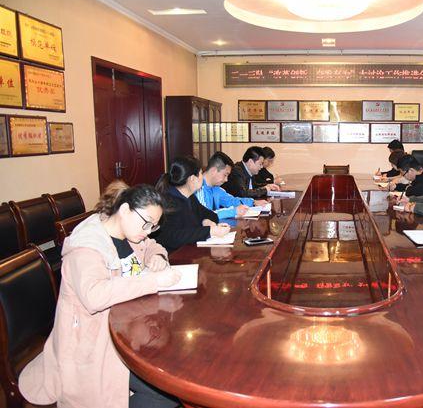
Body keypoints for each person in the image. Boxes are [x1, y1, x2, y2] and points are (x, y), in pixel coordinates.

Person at [18, 181, 182, 408]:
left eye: (153, 227)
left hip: (127, 326)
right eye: (146, 224)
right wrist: (154, 281)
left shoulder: (129, 233)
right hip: (94, 343)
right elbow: (95, 296)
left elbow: (152, 245)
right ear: (124, 210)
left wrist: (158, 257)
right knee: (166, 394)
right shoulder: (87, 247)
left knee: (170, 366)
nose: (147, 232)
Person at [154, 156, 230, 252]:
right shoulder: (168, 201)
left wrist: (206, 221)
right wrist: (210, 231)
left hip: (190, 251)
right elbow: (173, 237)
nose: (203, 177)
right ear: (193, 179)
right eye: (201, 173)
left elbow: (211, 214)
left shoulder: (190, 197)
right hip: (174, 255)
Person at [196, 151, 267, 219]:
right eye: (225, 175)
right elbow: (205, 215)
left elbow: (231, 201)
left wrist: (253, 202)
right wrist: (233, 211)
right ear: (214, 171)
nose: (226, 180)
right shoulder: (198, 188)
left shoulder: (216, 188)